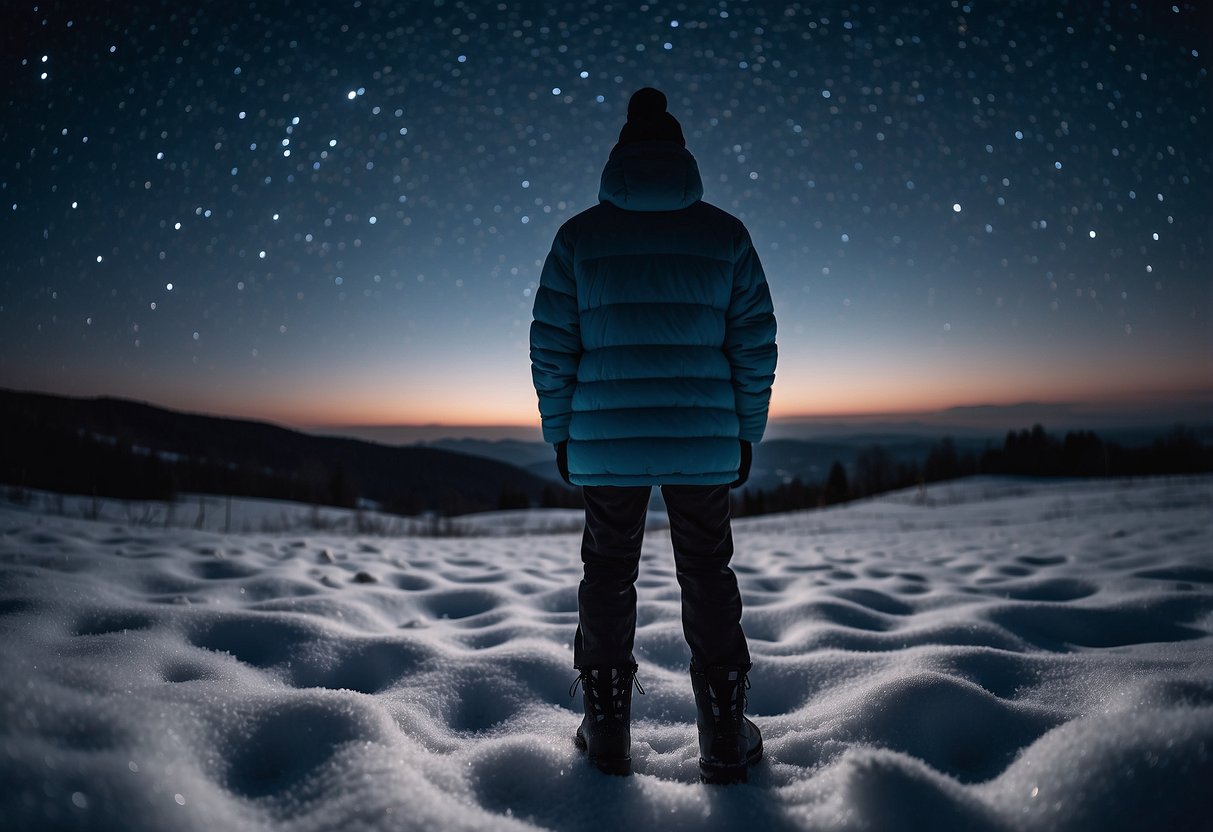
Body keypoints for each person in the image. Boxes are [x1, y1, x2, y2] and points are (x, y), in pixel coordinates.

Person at [529, 87, 777, 784]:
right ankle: (724, 735)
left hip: (606, 442)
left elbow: (551, 347)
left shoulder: (579, 236)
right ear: (680, 157)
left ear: (619, 160)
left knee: (606, 572)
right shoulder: (724, 233)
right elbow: (755, 345)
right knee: (707, 571)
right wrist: (743, 432)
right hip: (702, 438)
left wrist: (563, 432)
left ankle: (607, 733)